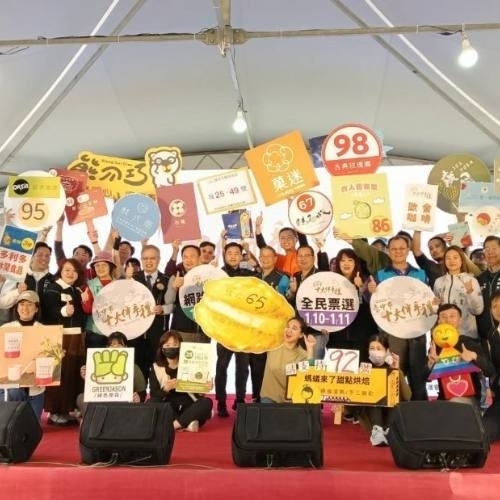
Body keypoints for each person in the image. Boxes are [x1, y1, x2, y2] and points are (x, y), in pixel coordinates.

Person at [214, 241, 257, 417]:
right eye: (229, 253)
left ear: (241, 256)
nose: (233, 256)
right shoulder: (218, 274)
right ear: (225, 255)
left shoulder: (248, 274)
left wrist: (250, 253)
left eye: (236, 253)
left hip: (244, 329)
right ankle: (221, 401)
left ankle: (240, 399)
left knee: (243, 367)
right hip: (224, 329)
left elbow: (261, 276)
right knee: (221, 366)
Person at [42, 258, 86, 425]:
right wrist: (63, 311)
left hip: (76, 337)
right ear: (60, 271)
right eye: (67, 270)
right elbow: (49, 311)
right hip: (59, 337)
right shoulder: (53, 289)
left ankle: (67, 409)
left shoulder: (76, 290)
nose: (71, 273)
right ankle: (55, 411)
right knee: (59, 375)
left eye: (74, 271)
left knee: (73, 374)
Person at [426, 304, 493, 404]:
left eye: (452, 316)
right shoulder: (435, 347)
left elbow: (490, 371)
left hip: (470, 398)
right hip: (443, 400)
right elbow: (424, 377)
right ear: (438, 321)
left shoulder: (469, 343)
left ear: (460, 320)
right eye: (443, 317)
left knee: (455, 402)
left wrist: (474, 357)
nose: (448, 320)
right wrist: (430, 365)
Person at [149, 330, 213, 432]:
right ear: (162, 348)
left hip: (189, 405)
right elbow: (154, 393)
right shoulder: (156, 367)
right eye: (167, 345)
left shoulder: (191, 364)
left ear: (181, 346)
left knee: (206, 402)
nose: (171, 348)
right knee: (152, 402)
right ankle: (187, 424)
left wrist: (204, 387)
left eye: (175, 345)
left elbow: (198, 394)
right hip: (169, 407)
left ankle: (172, 426)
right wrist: (165, 389)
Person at [358, 333, 411, 447]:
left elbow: (407, 396)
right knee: (374, 395)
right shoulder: (363, 368)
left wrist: (397, 371)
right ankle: (377, 431)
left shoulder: (391, 368)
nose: (375, 351)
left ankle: (389, 430)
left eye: (379, 348)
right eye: (372, 348)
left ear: (387, 351)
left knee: (393, 396)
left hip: (390, 413)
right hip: (371, 413)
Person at [126, 244, 170, 382]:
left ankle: (157, 393)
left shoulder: (166, 279)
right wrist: (126, 280)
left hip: (158, 331)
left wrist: (163, 309)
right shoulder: (132, 278)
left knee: (159, 366)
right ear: (141, 260)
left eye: (152, 258)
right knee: (137, 368)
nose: (148, 261)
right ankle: (139, 393)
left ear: (159, 259)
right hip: (136, 332)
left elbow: (173, 305)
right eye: (145, 258)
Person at [76, 331, 147, 415]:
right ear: (107, 347)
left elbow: (142, 393)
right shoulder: (97, 363)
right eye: (111, 345)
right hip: (102, 400)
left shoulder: (133, 367)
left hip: (122, 402)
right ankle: (92, 421)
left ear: (126, 347)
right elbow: (92, 390)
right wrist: (87, 378)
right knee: (81, 398)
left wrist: (138, 398)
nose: (115, 348)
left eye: (119, 345)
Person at [0, 291, 46, 420]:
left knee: (33, 426)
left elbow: (49, 359)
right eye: (22, 304)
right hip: (10, 387)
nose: (25, 308)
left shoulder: (44, 330)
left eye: (30, 304)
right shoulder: (5, 329)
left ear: (36, 308)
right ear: (17, 308)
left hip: (36, 388)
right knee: (10, 424)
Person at [286, 244, 330, 359]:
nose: (303, 259)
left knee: (313, 366)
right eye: (300, 256)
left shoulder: (322, 276)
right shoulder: (295, 276)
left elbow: (330, 302)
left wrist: (329, 324)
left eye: (306, 255)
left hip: (316, 331)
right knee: (297, 366)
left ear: (313, 258)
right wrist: (292, 292)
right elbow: (290, 303)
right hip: (298, 331)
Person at [260, 316, 315, 403]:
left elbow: (308, 377)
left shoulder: (303, 354)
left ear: (301, 335)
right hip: (269, 397)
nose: (289, 330)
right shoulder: (274, 344)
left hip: (291, 401)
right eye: (288, 327)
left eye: (294, 328)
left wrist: (310, 349)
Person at [433, 246, 483, 340]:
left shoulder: (471, 280)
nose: (452, 261)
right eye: (448, 258)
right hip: (445, 334)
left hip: (467, 335)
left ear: (462, 260)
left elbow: (478, 310)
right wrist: (435, 305)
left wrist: (470, 292)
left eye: (455, 257)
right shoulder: (438, 282)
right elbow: (435, 310)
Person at [164, 245, 210, 343]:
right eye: (185, 257)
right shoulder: (177, 276)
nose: (188, 260)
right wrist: (174, 287)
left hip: (203, 330)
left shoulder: (207, 276)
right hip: (180, 330)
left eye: (192, 256)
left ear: (199, 258)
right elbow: (168, 301)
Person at [81, 251, 119, 348]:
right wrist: (85, 301)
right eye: (97, 265)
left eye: (104, 265)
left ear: (110, 267)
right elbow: (88, 310)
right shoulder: (90, 284)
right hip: (95, 332)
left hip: (116, 332)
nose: (100, 268)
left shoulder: (119, 285)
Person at [483, 291, 500, 441]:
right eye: (494, 306)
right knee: (485, 431)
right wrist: (491, 387)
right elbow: (492, 367)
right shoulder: (492, 334)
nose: (498, 310)